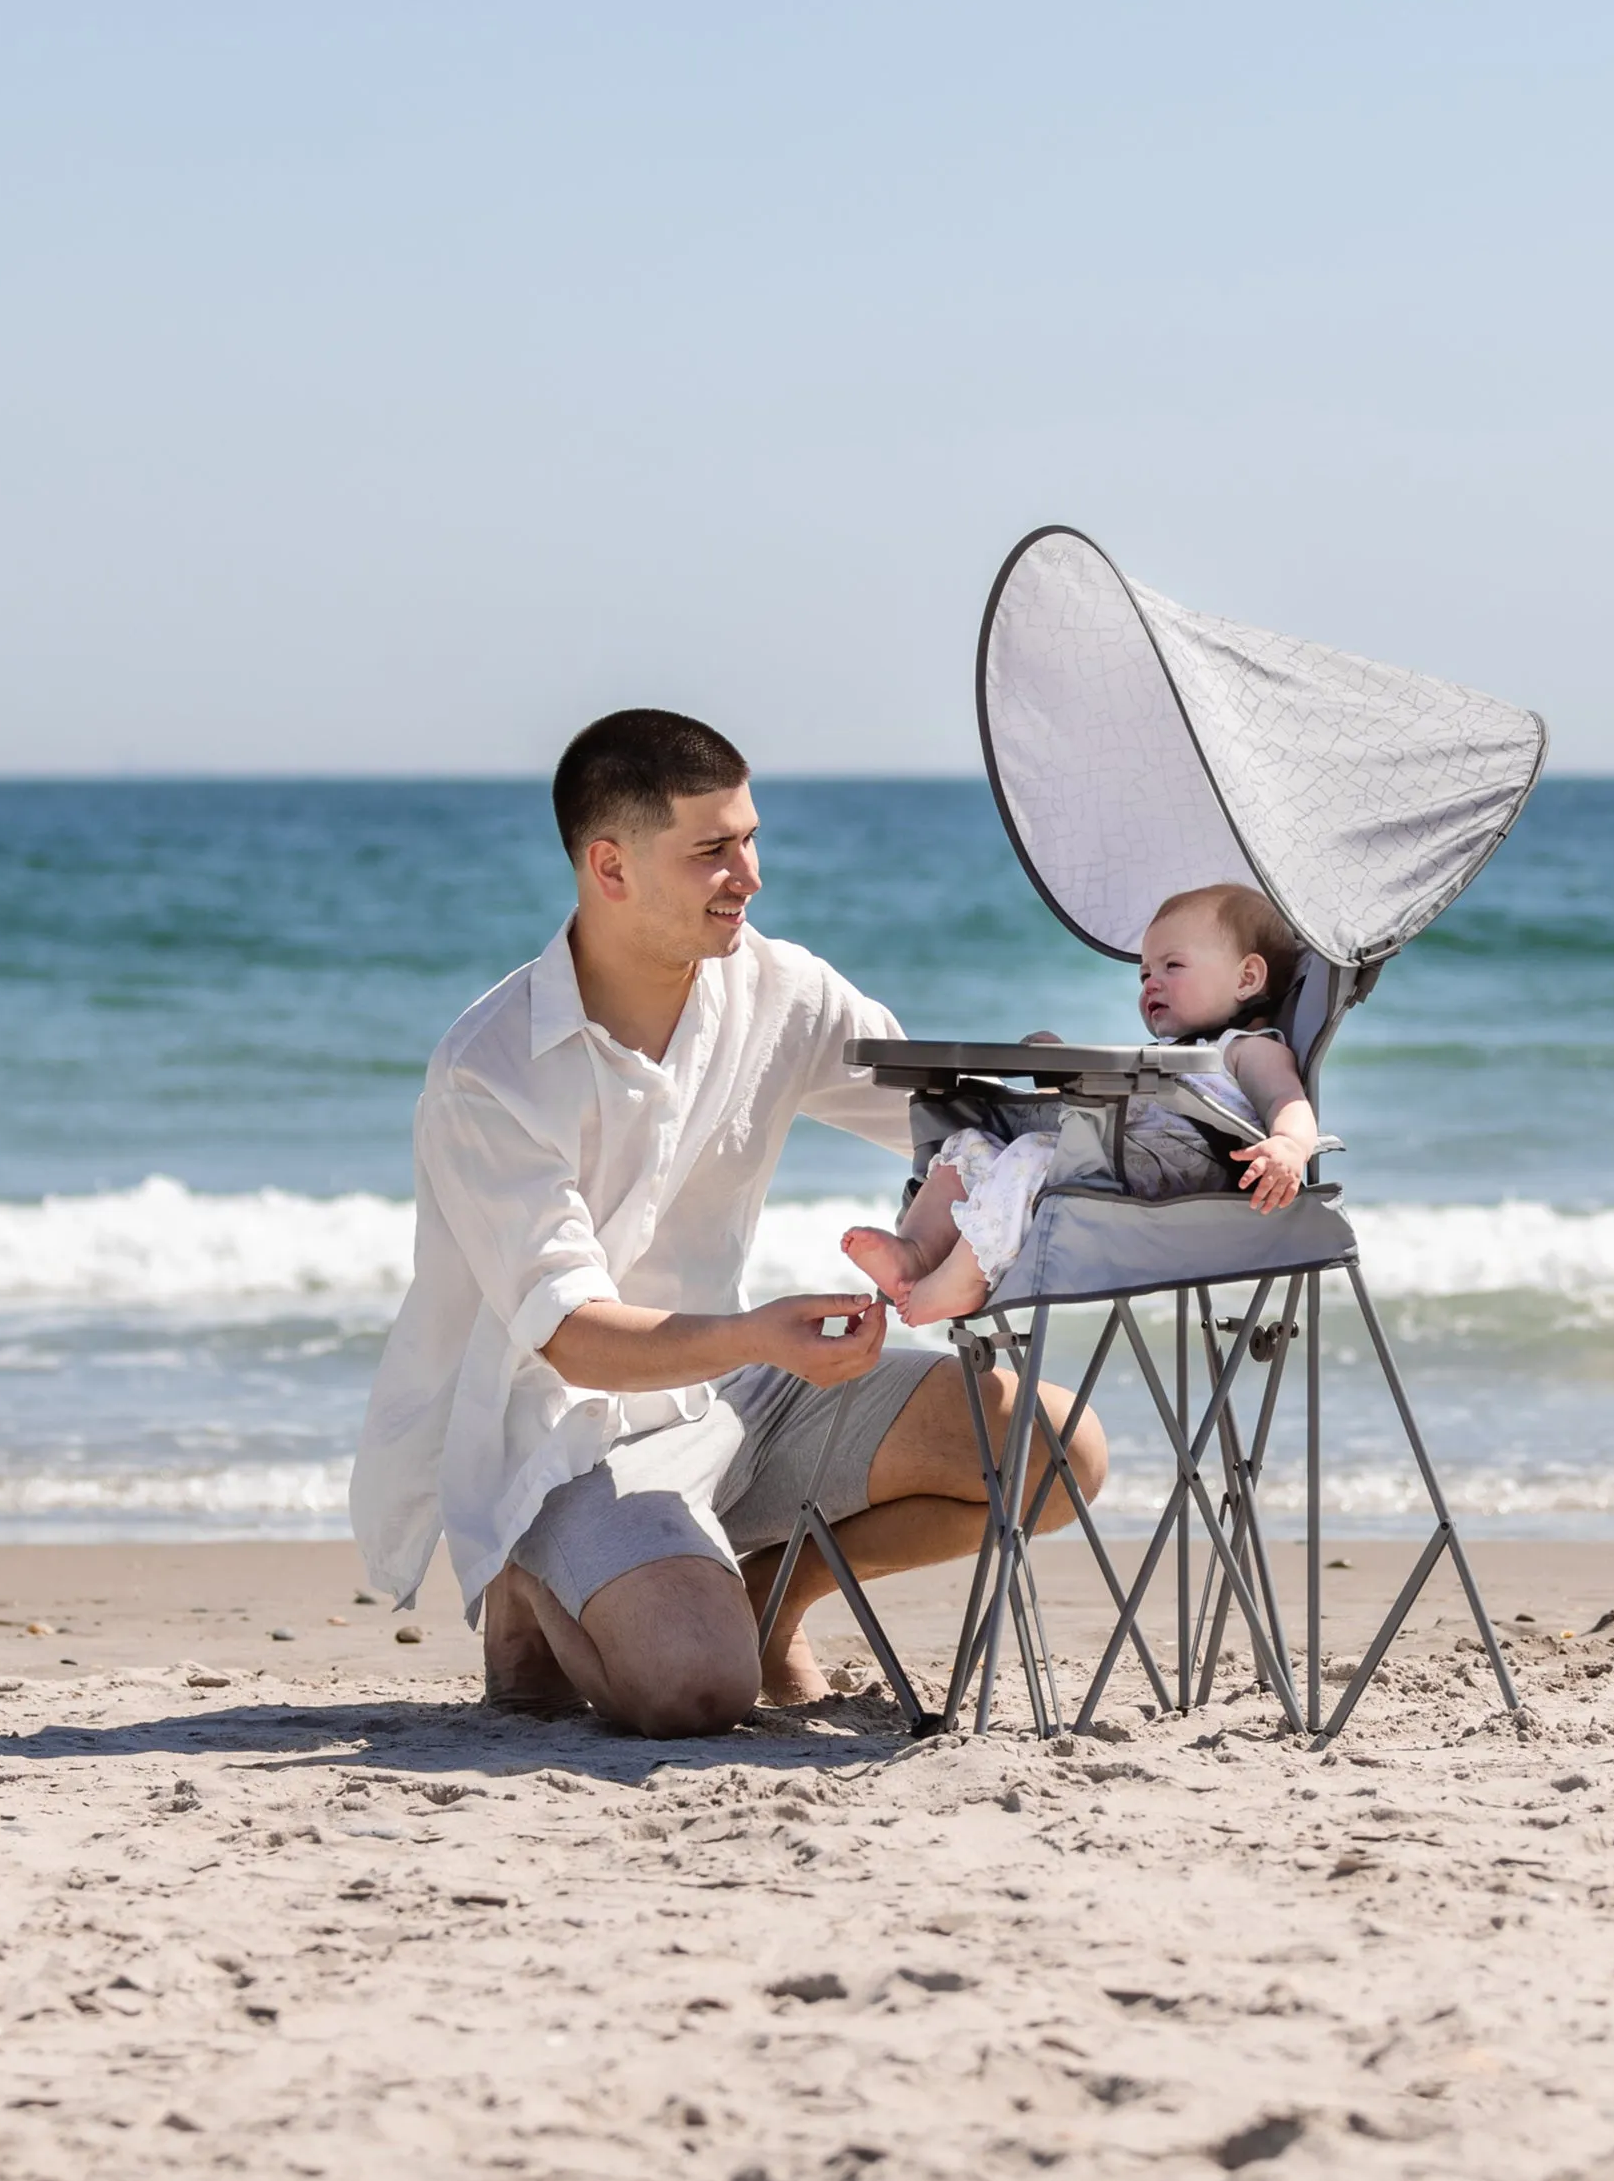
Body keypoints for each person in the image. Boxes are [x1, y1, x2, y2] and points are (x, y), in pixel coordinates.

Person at [349, 708, 1108, 1738]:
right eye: (712, 851)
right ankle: (533, 1585)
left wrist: (1078, 1097)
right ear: (609, 869)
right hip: (572, 1434)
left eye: (749, 838)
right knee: (692, 1691)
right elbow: (571, 1337)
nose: (749, 874)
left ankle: (772, 1590)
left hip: (747, 1397)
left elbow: (945, 1121)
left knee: (1057, 1448)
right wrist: (761, 1334)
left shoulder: (783, 988)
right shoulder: (490, 1070)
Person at [841, 883, 1322, 1325]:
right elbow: (1107, 1118)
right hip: (1119, 1158)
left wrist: (1289, 1147)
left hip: (1180, 1171)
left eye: (1172, 966)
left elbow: (1289, 1099)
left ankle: (966, 1279)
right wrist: (1061, 1077)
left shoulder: (1246, 1048)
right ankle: (917, 1254)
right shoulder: (1167, 1057)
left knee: (1031, 1156)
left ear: (1247, 977)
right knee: (968, 1145)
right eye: (1144, 973)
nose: (1151, 982)